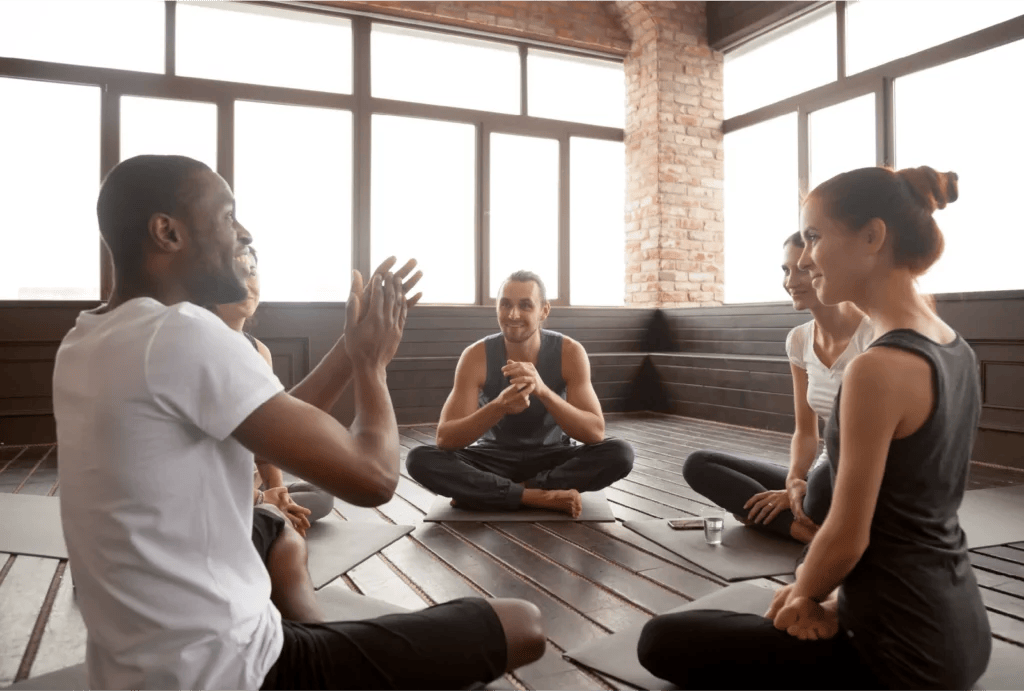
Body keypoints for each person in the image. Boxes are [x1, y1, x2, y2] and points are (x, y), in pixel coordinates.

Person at [53, 154, 546, 690]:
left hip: (129, 673)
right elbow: (374, 479)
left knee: (271, 525)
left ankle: (314, 630)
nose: (242, 232)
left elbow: (272, 425)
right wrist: (371, 366)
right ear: (166, 232)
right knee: (523, 624)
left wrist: (348, 348)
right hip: (233, 672)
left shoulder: (86, 339)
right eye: (226, 216)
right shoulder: (181, 334)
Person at [637, 165, 991, 690]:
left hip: (896, 652)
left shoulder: (878, 366)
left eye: (814, 238)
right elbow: (904, 515)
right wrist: (826, 595)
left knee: (660, 640)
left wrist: (800, 594)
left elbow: (848, 536)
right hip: (960, 633)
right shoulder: (953, 346)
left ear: (872, 236)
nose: (803, 259)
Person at [681, 232, 874, 543]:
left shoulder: (874, 337)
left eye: (804, 269)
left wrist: (809, 488)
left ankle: (788, 519)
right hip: (823, 473)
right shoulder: (798, 340)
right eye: (786, 270)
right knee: (699, 465)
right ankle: (801, 529)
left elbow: (876, 448)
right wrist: (795, 480)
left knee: (813, 492)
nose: (791, 281)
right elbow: (806, 432)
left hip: (864, 479)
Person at [406, 270, 634, 518]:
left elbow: (594, 432)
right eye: (505, 304)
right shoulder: (475, 356)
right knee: (419, 459)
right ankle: (536, 497)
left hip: (552, 457)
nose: (513, 315)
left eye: (525, 305)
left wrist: (544, 391)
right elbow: (446, 439)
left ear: (544, 311)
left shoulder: (570, 352)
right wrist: (499, 406)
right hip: (494, 458)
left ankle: (503, 493)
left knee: (620, 453)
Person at [213, 245, 334, 534]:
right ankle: (262, 516)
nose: (246, 284)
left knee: (321, 494)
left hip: (247, 479)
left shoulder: (259, 351)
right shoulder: (201, 347)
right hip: (212, 485)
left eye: (251, 272)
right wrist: (260, 497)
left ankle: (268, 515)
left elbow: (267, 444)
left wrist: (278, 494)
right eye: (234, 274)